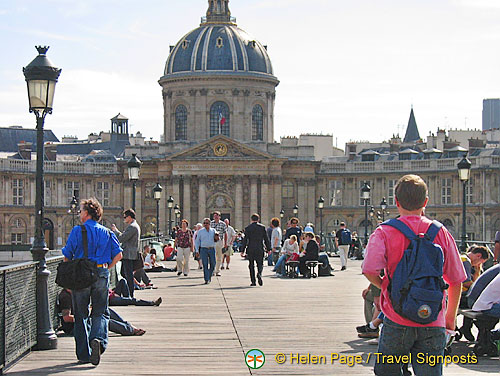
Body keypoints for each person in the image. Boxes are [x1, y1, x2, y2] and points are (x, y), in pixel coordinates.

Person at [362, 174, 466, 376]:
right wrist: (449, 318)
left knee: (387, 371)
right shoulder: (441, 232)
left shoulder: (384, 231)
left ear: (396, 202)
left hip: (396, 316)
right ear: (425, 202)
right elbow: (455, 280)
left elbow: (369, 269)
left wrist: (385, 284)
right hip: (433, 317)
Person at [62, 197, 123, 366]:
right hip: (101, 272)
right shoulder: (107, 232)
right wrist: (106, 267)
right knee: (101, 311)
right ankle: (98, 340)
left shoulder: (77, 230)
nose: (80, 213)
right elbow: (119, 255)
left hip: (81, 274)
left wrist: (70, 272)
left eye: (81, 211)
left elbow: (67, 255)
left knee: (81, 314)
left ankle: (83, 354)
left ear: (87, 213)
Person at [58, 288, 146, 337]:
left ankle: (128, 325)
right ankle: (130, 330)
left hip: (84, 319)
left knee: (105, 310)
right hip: (74, 327)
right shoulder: (66, 297)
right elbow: (67, 318)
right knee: (102, 321)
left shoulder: (76, 294)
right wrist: (85, 316)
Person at [111, 209, 140, 298]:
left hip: (128, 254)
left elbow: (121, 238)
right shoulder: (134, 226)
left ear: (129, 217)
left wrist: (115, 231)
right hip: (129, 253)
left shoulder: (132, 227)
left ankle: (130, 294)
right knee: (124, 273)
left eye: (125, 217)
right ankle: (126, 292)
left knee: (128, 274)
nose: (124, 219)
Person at [241, 213, 270, 286]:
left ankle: (253, 281)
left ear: (251, 220)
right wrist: (268, 249)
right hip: (260, 248)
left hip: (251, 248)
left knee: (251, 265)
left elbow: (245, 240)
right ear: (258, 219)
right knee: (260, 264)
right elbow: (266, 239)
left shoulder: (248, 228)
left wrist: (242, 250)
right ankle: (259, 274)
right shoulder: (262, 227)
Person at [195, 218, 217, 284]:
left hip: (211, 248)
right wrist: (196, 250)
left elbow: (217, 239)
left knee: (213, 263)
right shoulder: (200, 231)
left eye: (207, 223)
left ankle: (209, 275)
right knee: (205, 264)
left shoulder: (213, 231)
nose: (205, 224)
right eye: (204, 223)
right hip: (203, 249)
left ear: (209, 224)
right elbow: (197, 241)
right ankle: (206, 279)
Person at [211, 211, 227, 276]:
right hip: (212, 241)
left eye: (217, 216)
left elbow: (225, 234)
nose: (216, 217)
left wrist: (225, 243)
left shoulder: (223, 224)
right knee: (212, 256)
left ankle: (217, 271)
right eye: (215, 216)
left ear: (219, 217)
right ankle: (213, 270)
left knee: (219, 257)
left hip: (220, 241)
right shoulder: (211, 223)